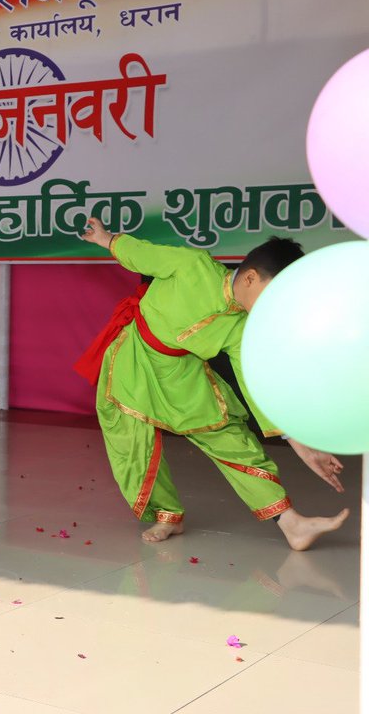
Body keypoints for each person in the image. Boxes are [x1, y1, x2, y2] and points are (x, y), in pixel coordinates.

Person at [77, 217, 348, 549]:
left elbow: (254, 385)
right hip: (134, 359)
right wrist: (106, 238)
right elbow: (139, 252)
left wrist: (301, 444)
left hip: (182, 371)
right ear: (250, 277)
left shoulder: (242, 327)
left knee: (229, 436)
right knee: (131, 444)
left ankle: (291, 523)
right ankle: (167, 516)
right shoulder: (192, 265)